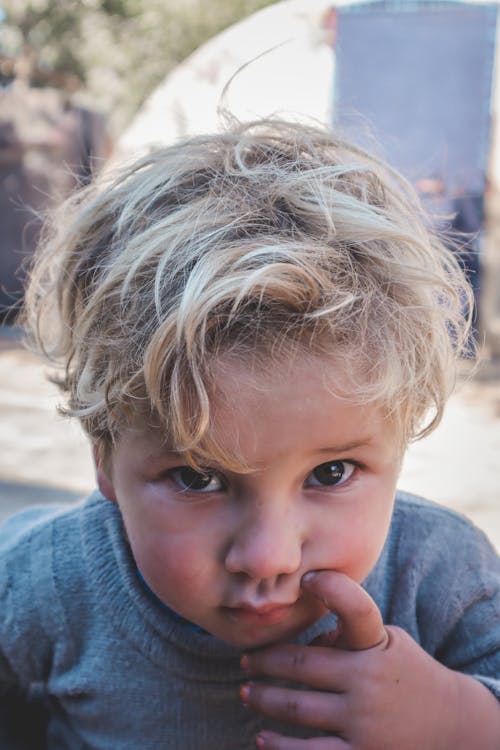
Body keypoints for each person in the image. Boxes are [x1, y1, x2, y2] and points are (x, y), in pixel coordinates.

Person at [1, 118, 499, 749]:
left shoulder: (443, 578)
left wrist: (458, 720)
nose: (268, 559)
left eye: (330, 473)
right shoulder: (45, 583)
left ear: (398, 444)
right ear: (105, 458)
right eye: (196, 477)